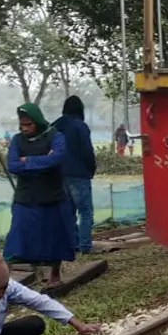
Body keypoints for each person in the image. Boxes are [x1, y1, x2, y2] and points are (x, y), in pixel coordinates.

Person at [4, 103, 77, 286]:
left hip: (52, 196)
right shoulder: (17, 140)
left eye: (29, 124)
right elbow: (13, 165)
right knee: (16, 238)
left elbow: (56, 158)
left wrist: (27, 161)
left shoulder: (55, 136)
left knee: (55, 238)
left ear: (37, 121)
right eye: (22, 125)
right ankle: (3, 280)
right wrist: (41, 162)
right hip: (25, 197)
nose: (25, 128)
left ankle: (54, 276)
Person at [55, 96, 98, 254]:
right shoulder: (80, 127)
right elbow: (87, 151)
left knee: (68, 212)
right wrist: (91, 169)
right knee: (86, 212)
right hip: (79, 174)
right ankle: (85, 245)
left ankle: (71, 244)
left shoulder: (55, 126)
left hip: (59, 174)